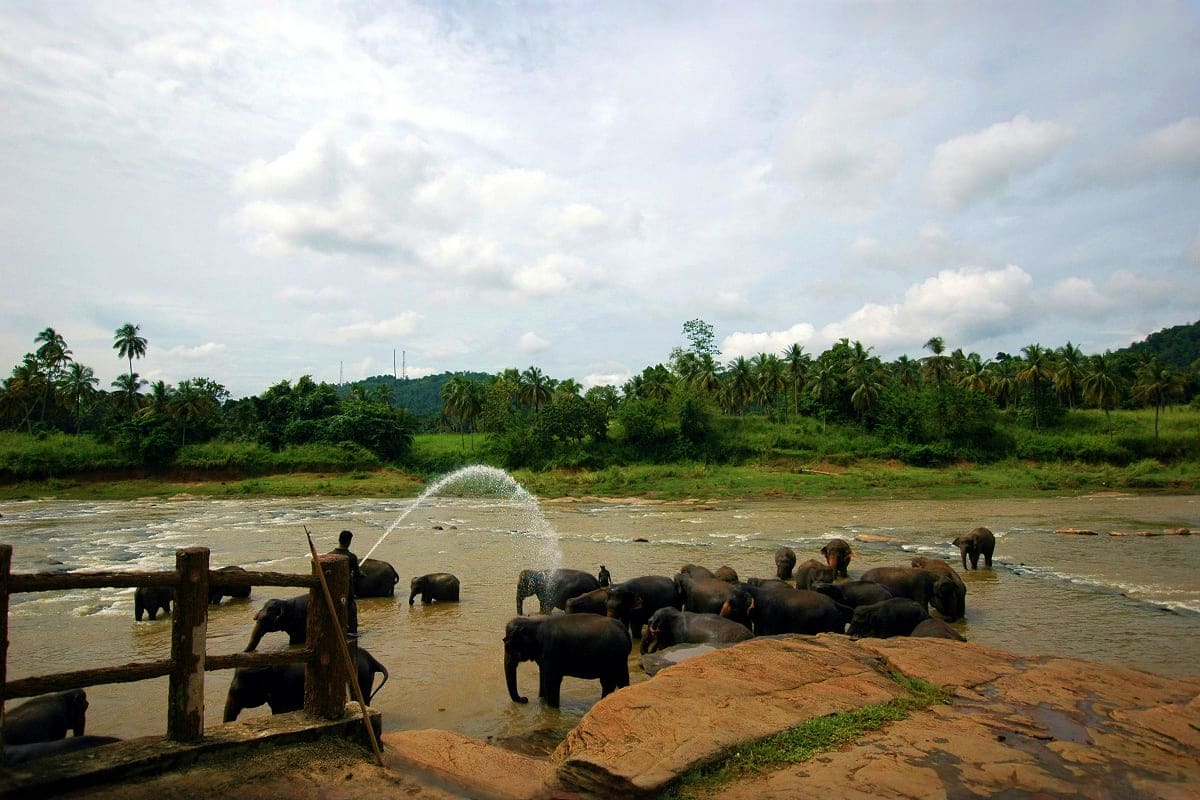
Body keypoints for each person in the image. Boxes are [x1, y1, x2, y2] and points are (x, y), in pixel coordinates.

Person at [328, 529, 361, 635]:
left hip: (332, 590)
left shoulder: (330, 555)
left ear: (339, 540)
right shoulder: (351, 557)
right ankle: (352, 630)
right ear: (349, 542)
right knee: (350, 607)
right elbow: (357, 573)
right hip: (347, 589)